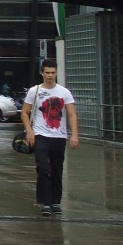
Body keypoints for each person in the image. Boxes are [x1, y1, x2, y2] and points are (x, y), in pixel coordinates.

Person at [21, 58, 79, 216]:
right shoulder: (35, 91)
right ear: (42, 73)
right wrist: (29, 131)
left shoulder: (64, 92)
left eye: (53, 72)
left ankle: (55, 202)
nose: (50, 75)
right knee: (43, 169)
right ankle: (45, 202)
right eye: (47, 72)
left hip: (59, 137)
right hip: (41, 135)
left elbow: (72, 115)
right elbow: (25, 112)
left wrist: (74, 135)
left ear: (56, 73)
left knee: (56, 169)